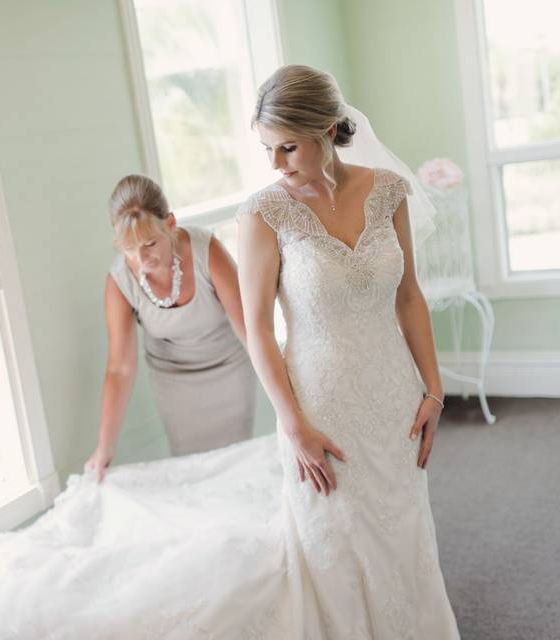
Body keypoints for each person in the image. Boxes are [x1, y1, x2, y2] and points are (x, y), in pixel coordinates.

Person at [237, 64, 460, 637]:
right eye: (267, 148)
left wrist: (434, 390)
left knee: (400, 531)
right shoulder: (264, 213)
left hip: (392, 395)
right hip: (319, 408)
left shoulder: (387, 191)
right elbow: (259, 329)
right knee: (336, 542)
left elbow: (409, 295)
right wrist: (293, 427)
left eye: (287, 147)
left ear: (326, 130)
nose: (276, 163)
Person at [84, 175, 256, 480]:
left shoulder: (207, 250)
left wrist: (291, 402)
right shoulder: (119, 281)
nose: (142, 258)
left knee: (235, 466)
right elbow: (120, 369)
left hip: (229, 370)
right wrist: (104, 446)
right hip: (175, 385)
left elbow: (251, 331)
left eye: (150, 243)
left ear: (171, 224)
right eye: (130, 249)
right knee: (193, 470)